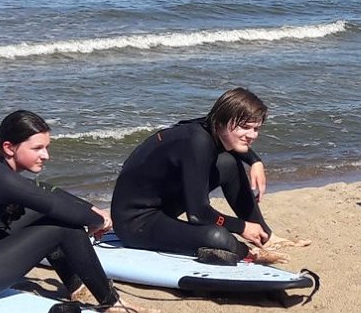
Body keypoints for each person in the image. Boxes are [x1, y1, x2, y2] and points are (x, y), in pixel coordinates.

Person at [0, 110, 123, 309]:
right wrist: (101, 222)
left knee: (52, 214)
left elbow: (44, 190)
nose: (46, 155)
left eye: (46, 147)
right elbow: (57, 207)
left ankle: (77, 287)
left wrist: (92, 209)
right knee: (64, 227)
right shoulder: (1, 179)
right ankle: (110, 302)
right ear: (9, 147)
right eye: (37, 148)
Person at [111, 87, 273, 264]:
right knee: (218, 237)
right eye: (245, 127)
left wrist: (255, 161)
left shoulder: (206, 127)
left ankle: (264, 235)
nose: (252, 135)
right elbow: (199, 215)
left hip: (164, 204)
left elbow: (236, 144)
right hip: (135, 222)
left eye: (256, 128)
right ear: (221, 120)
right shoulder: (198, 142)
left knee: (229, 163)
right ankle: (249, 251)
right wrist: (241, 227)